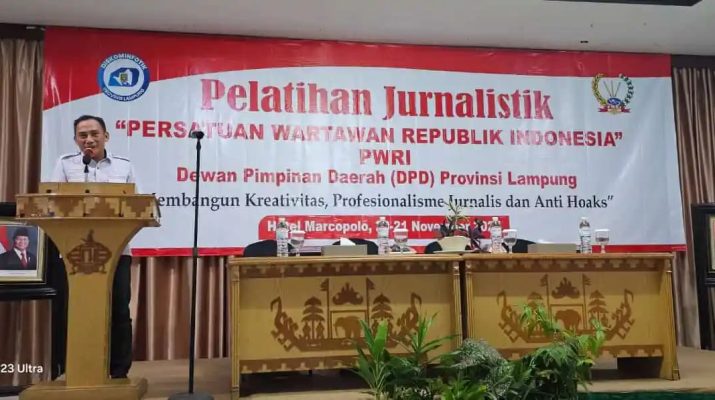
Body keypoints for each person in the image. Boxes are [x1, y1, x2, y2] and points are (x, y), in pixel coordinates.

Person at [50, 114, 136, 379]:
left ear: (106, 136)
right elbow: (52, 204)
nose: (88, 140)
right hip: (74, 254)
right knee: (76, 310)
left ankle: (119, 372)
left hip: (117, 252)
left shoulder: (123, 166)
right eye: (82, 135)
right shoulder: (65, 165)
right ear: (76, 139)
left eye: (94, 134)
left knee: (119, 309)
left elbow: (137, 205)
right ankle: (75, 369)